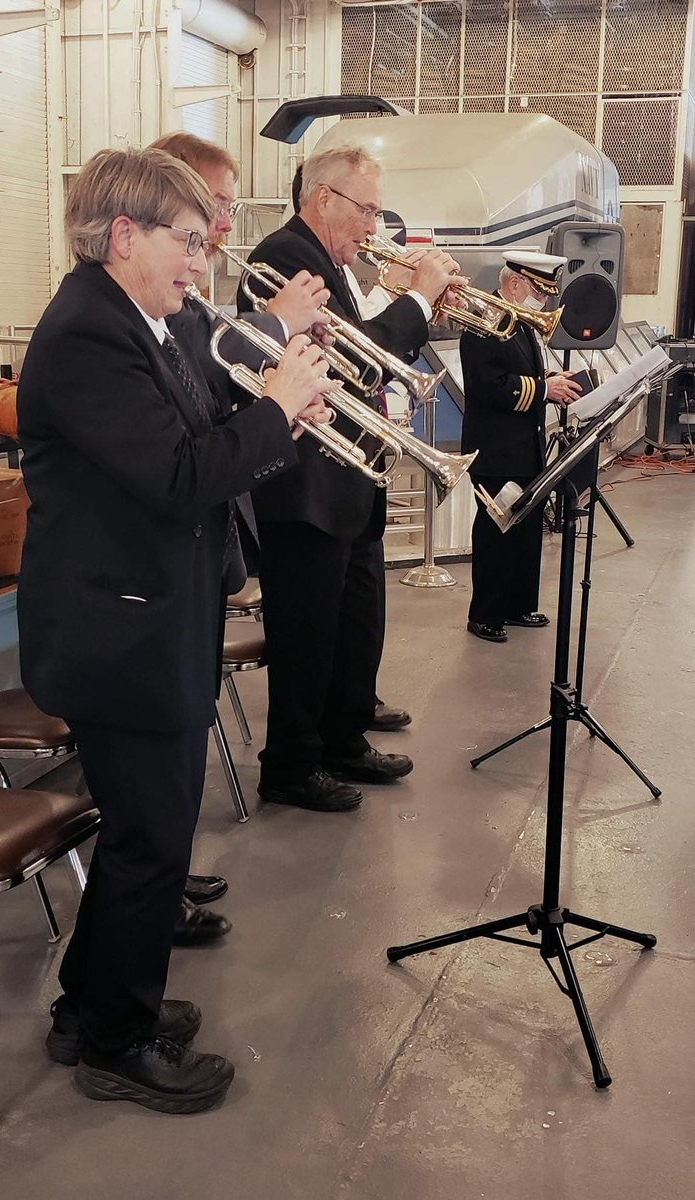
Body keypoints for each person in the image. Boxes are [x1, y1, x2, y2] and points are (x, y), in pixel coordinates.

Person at [16, 147, 332, 1112]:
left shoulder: (141, 322)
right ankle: (117, 1042)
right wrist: (275, 412)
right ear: (124, 236)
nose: (202, 263)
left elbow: (195, 441)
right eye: (188, 242)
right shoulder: (88, 336)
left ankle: (88, 1006)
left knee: (142, 837)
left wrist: (278, 417)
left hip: (151, 619)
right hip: (120, 636)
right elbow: (179, 479)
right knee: (153, 840)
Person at [237, 145, 467, 813]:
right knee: (306, 636)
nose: (373, 227)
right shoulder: (285, 257)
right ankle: (290, 766)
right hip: (304, 487)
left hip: (348, 480)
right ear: (323, 200)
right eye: (366, 210)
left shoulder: (331, 263)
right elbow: (355, 365)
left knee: (354, 624)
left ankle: (341, 738)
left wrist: (417, 306)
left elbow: (369, 346)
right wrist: (417, 300)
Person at [148, 132, 332, 944]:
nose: (217, 235)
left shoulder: (165, 309)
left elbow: (209, 407)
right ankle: (149, 896)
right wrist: (273, 358)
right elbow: (183, 458)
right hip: (143, 591)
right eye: (205, 219)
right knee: (151, 784)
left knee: (170, 776)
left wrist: (282, 411)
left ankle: (163, 876)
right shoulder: (108, 325)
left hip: (186, 573)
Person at [460, 251, 582, 643]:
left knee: (525, 529)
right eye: (538, 291)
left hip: (523, 445)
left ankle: (517, 605)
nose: (543, 302)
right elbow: (489, 385)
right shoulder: (485, 322)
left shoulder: (521, 323)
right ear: (514, 283)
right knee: (496, 532)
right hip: (495, 448)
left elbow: (522, 369)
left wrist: (549, 377)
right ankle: (485, 614)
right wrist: (546, 389)